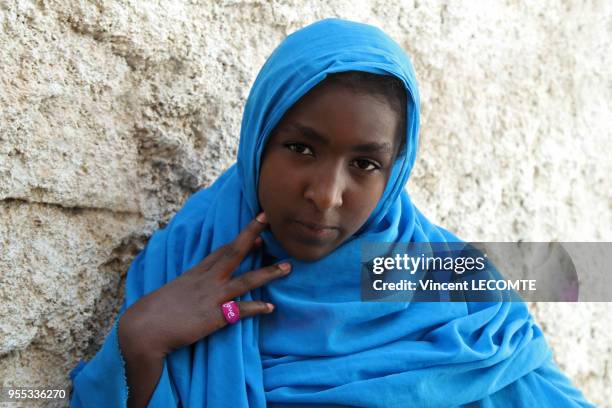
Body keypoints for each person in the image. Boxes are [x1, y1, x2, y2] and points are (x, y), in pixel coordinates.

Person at [69, 19, 593, 407]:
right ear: (258, 139)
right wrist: (138, 344)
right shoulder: (187, 259)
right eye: (300, 148)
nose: (326, 194)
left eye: (365, 163)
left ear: (394, 175)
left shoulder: (445, 281)